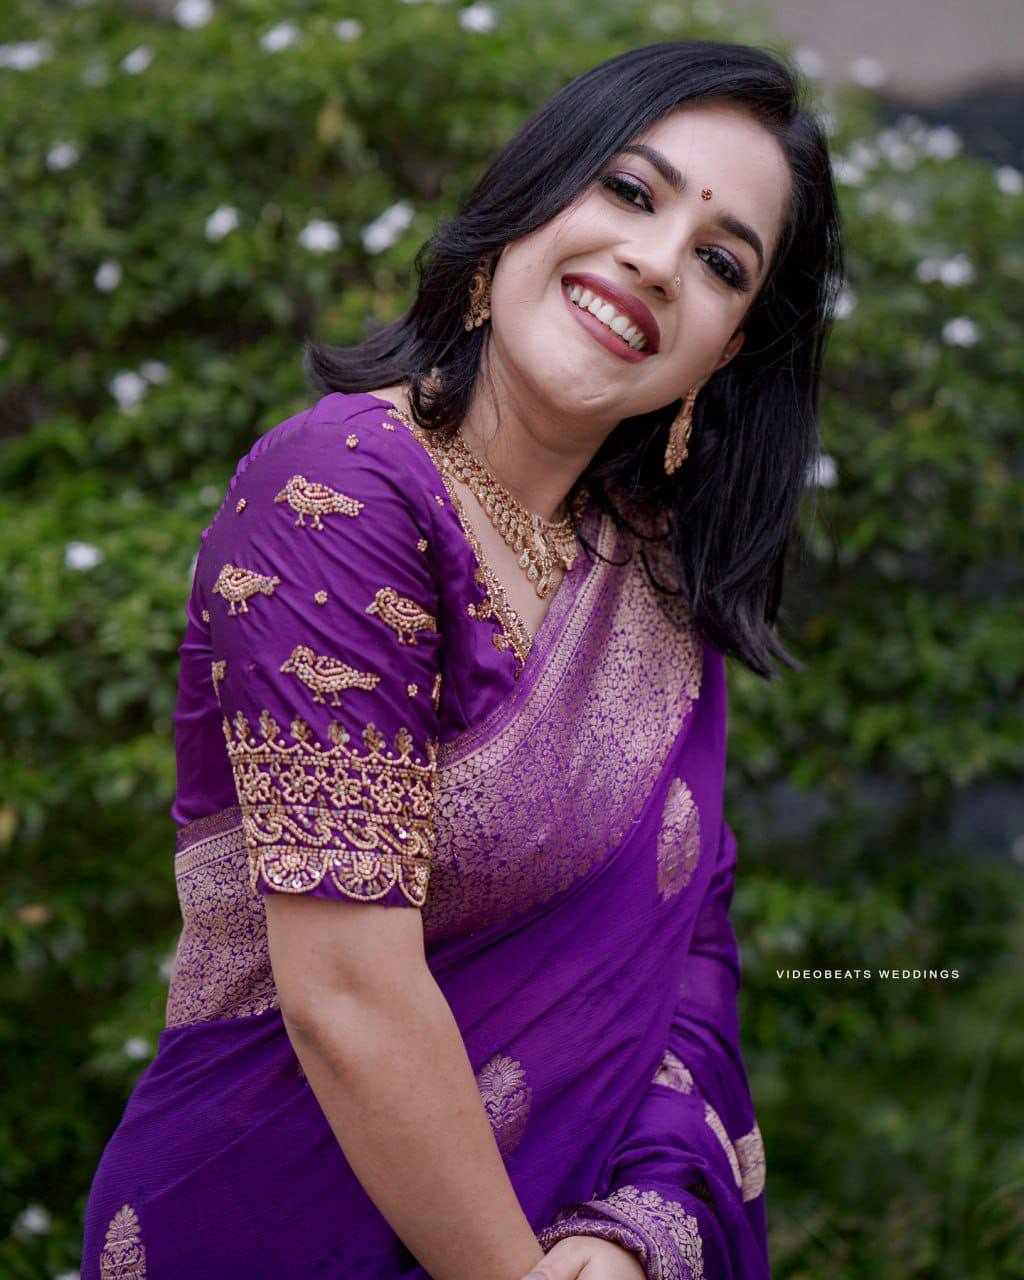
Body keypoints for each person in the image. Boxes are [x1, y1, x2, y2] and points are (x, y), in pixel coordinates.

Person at [81, 37, 843, 1280]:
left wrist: (638, 1222)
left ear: (725, 350)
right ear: (526, 203)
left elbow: (689, 956)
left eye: (720, 262)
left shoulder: (650, 581)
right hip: (272, 1224)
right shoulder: (338, 490)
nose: (656, 260)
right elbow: (348, 991)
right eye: (629, 190)